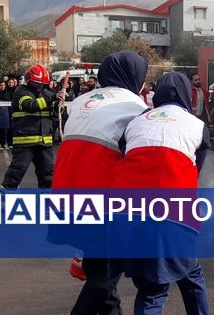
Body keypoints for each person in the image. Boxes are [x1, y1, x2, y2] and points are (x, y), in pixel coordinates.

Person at [52, 51, 149, 315]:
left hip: (66, 190)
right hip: (101, 194)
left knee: (99, 265)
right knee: (107, 273)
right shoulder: (136, 108)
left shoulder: (82, 101)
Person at [112, 71, 210, 315]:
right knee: (168, 283)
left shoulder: (136, 122)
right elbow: (195, 169)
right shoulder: (197, 126)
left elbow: (125, 155)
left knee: (156, 281)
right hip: (172, 212)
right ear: (187, 95)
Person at [0, 65, 64, 190]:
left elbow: (54, 115)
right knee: (16, 172)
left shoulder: (47, 93)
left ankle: (47, 201)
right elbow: (29, 105)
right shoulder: (21, 91)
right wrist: (52, 98)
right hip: (25, 141)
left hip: (44, 142)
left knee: (48, 174)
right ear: (29, 80)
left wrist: (58, 105)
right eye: (37, 83)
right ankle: (5, 199)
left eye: (42, 84)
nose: (40, 86)